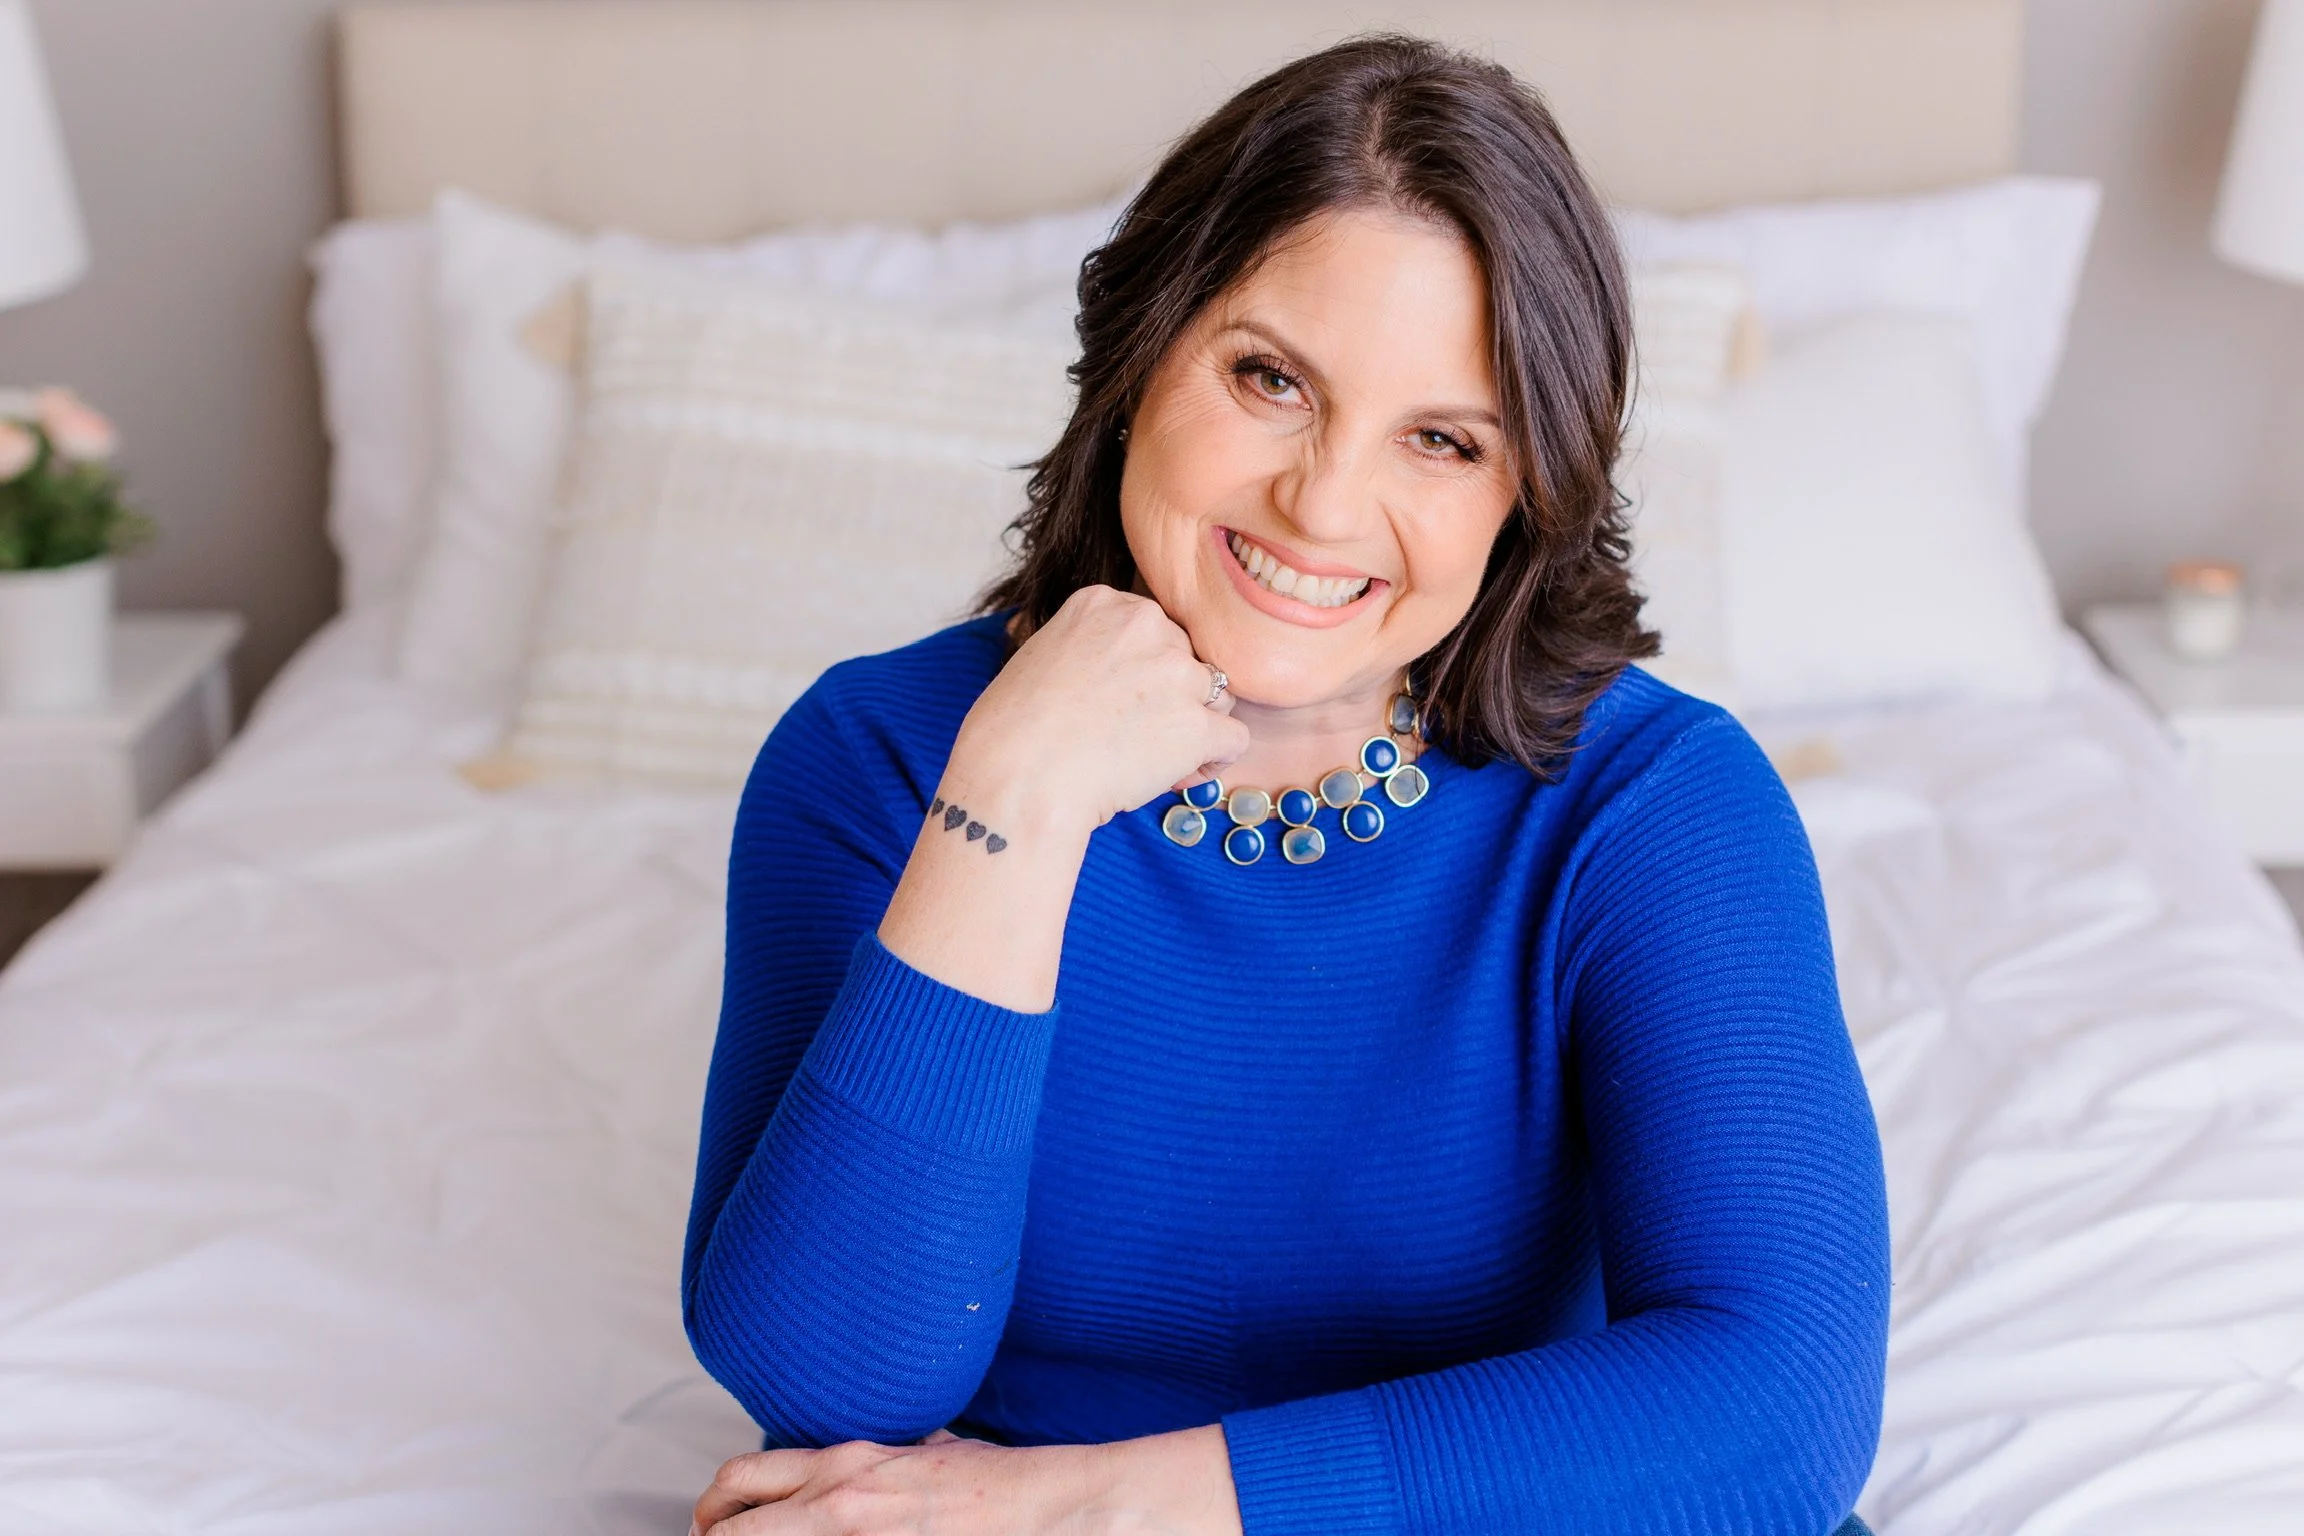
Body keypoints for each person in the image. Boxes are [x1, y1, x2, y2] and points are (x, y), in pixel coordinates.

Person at [681, 33, 1889, 1536]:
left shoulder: (1654, 808)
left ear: (1528, 498)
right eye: (1271, 380)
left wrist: (1099, 1509)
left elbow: (1779, 1415)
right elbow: (827, 1387)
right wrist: (1018, 800)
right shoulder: (877, 759)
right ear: (1141, 358)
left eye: (1443, 441)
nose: (1323, 505)